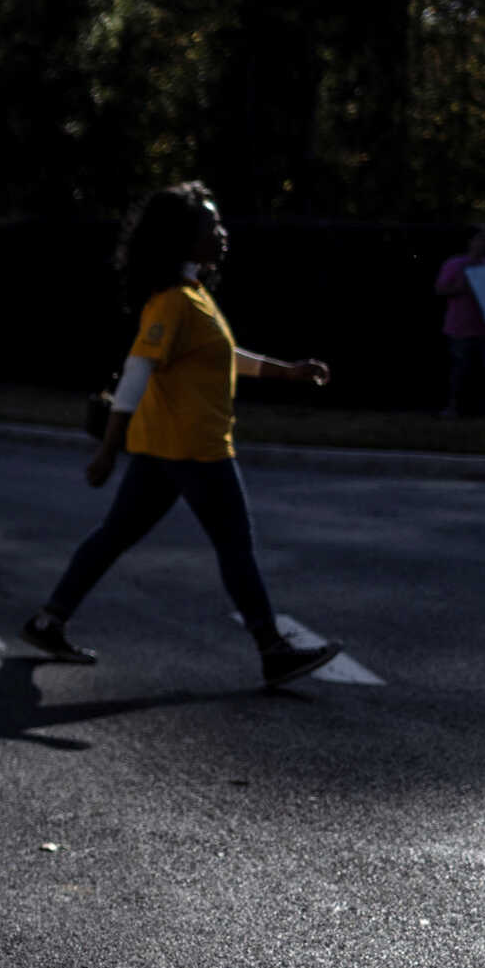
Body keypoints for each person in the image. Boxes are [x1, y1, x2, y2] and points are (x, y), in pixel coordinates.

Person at [18, 182, 344, 689]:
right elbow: (135, 373)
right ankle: (272, 648)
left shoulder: (193, 297)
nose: (222, 234)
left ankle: (48, 620)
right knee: (235, 544)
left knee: (115, 536)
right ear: (182, 240)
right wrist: (107, 450)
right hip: (194, 448)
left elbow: (220, 357)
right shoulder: (172, 303)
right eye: (210, 227)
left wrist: (288, 372)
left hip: (165, 448)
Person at [435, 224, 485, 418]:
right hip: (460, 326)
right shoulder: (454, 264)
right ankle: (454, 407)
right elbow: (441, 290)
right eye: (480, 238)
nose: (484, 243)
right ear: (470, 241)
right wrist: (462, 283)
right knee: (460, 369)